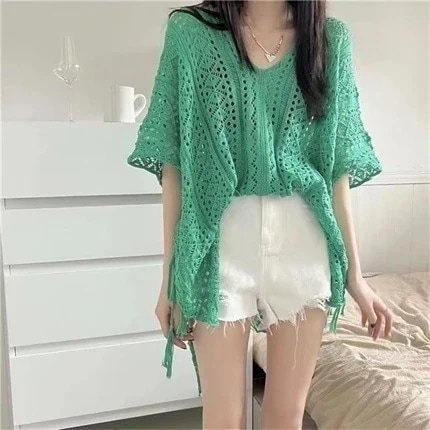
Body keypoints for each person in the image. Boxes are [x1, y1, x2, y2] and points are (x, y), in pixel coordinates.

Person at [127, 1, 394, 428]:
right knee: (223, 418)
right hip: (220, 243)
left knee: (285, 418)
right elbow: (175, 161)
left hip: (304, 244)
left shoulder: (330, 40)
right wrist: (171, 276)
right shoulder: (191, 33)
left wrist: (355, 277)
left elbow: (336, 169)